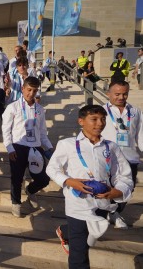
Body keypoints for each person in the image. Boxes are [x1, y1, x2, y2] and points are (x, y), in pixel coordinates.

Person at [46, 105, 133, 268]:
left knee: (88, 241)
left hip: (102, 204)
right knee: (79, 255)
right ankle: (70, 234)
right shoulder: (68, 144)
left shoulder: (111, 147)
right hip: (77, 206)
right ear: (81, 121)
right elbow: (52, 168)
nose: (99, 123)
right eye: (94, 119)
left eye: (103, 119)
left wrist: (118, 191)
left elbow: (124, 175)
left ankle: (65, 231)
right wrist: (69, 181)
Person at [2, 76, 54, 217]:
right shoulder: (12, 107)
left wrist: (49, 147)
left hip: (36, 147)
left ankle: (30, 190)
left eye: (34, 90)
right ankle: (16, 203)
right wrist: (9, 148)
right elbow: (6, 129)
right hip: (18, 147)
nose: (31, 93)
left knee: (43, 179)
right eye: (29, 90)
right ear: (23, 89)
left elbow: (43, 132)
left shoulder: (40, 110)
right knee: (17, 178)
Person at [101, 81, 143, 229]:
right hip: (107, 157)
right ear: (109, 94)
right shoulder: (101, 111)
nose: (121, 97)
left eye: (124, 94)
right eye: (117, 94)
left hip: (129, 157)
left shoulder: (135, 111)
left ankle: (115, 212)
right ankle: (104, 213)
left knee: (127, 188)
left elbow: (140, 136)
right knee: (107, 188)